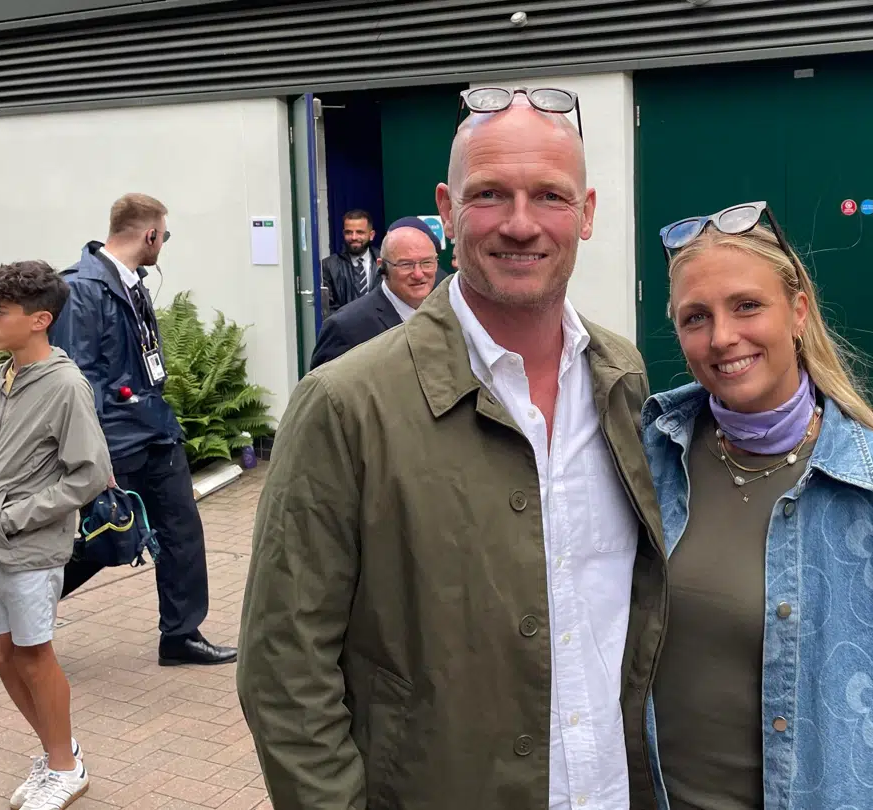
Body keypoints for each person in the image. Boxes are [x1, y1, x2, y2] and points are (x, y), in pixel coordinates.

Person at [238, 87, 668, 810]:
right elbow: (285, 672)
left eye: (551, 196)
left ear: (587, 212)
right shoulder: (347, 405)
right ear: (447, 208)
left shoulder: (622, 380)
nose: (521, 224)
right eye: (491, 194)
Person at [640, 202, 873, 809]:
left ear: (798, 312)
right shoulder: (651, 455)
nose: (722, 337)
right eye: (695, 317)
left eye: (747, 305)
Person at [0, 261, 113, 810]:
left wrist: (8, 519)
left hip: (32, 547)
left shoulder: (66, 387)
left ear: (40, 319)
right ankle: (57, 751)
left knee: (33, 655)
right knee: (1, 656)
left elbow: (88, 474)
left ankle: (65, 768)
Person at [48, 193, 237, 667]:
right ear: (150, 235)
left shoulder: (132, 282)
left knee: (182, 532)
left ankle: (180, 635)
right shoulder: (83, 288)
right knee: (106, 539)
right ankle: (22, 609)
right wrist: (96, 454)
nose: (162, 246)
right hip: (114, 440)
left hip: (155, 431)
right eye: (164, 237)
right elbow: (79, 378)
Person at [309, 216, 450, 369]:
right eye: (405, 265)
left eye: (427, 263)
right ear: (382, 268)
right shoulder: (345, 327)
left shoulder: (449, 314)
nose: (418, 274)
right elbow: (324, 390)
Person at [321, 209, 379, 313]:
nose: (354, 237)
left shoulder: (384, 262)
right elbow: (328, 308)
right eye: (349, 232)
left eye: (360, 232)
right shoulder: (329, 266)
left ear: (371, 235)